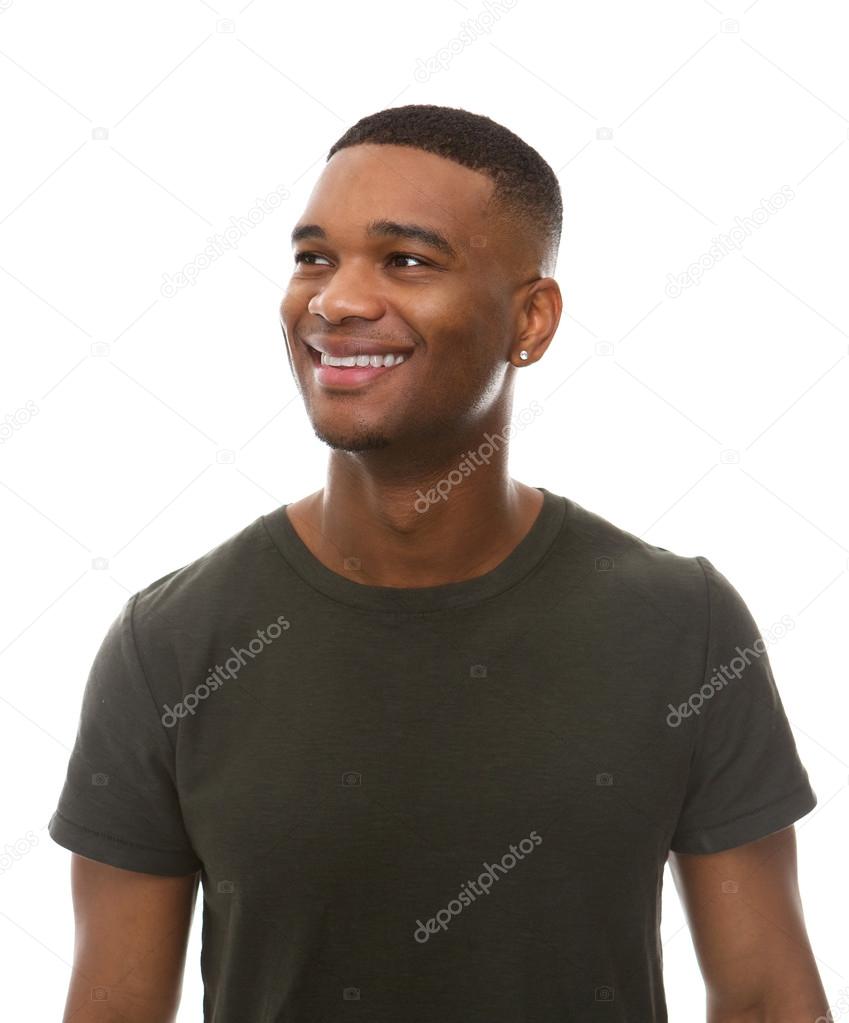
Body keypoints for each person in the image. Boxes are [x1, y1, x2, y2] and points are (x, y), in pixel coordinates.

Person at [49, 103, 828, 1022]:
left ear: (529, 320)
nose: (334, 300)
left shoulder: (682, 625)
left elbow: (769, 996)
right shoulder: (172, 644)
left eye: (406, 260)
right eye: (313, 257)